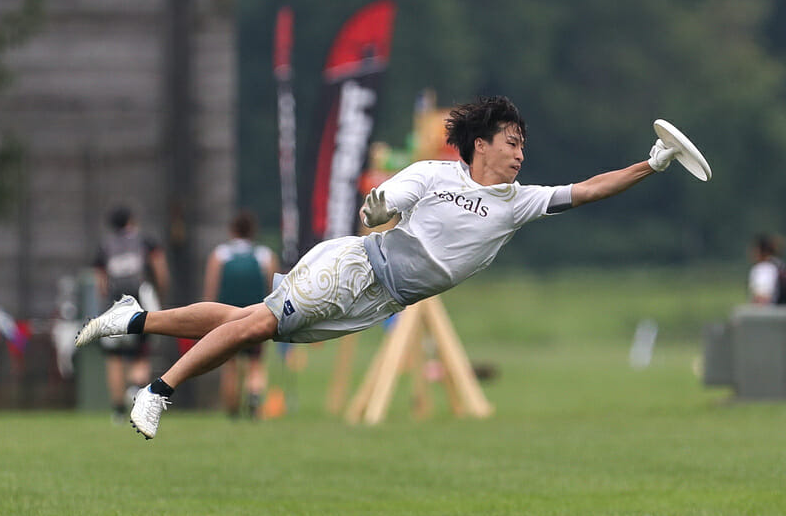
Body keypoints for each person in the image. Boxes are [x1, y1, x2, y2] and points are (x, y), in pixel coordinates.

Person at [75, 95, 680, 439]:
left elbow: (591, 189)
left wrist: (650, 164)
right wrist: (379, 206)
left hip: (378, 303)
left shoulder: (520, 203)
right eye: (512, 141)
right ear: (481, 145)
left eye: (523, 143)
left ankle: (135, 320)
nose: (521, 152)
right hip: (353, 269)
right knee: (256, 327)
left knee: (244, 319)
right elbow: (386, 202)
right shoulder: (436, 175)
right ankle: (157, 390)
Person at [92, 206, 170, 424]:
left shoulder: (104, 246)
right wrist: (159, 295)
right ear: (131, 221)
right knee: (141, 355)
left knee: (114, 358)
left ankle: (117, 411)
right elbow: (160, 270)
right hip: (141, 301)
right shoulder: (145, 240)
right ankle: (135, 389)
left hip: (113, 304)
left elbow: (101, 281)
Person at [203, 211, 279, 419]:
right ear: (253, 231)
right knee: (256, 363)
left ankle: (232, 409)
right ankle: (254, 395)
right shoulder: (264, 255)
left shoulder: (220, 255)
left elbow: (211, 288)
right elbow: (275, 290)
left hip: (228, 318)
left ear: (232, 230)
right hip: (256, 316)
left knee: (230, 364)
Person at [748, 233, 785, 305]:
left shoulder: (763, 269)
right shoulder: (780, 266)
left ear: (759, 251)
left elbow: (762, 299)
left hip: (769, 314)